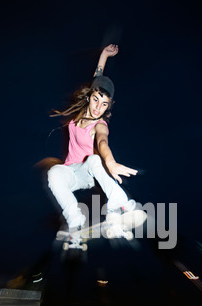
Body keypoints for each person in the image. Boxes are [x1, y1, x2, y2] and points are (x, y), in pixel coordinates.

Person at [47, 44, 138, 233]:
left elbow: (102, 142)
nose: (98, 107)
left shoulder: (99, 125)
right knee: (54, 172)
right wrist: (104, 54)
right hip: (70, 172)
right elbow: (98, 76)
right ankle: (75, 221)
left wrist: (110, 162)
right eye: (96, 100)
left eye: (104, 104)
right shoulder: (83, 110)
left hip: (87, 172)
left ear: (108, 107)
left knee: (95, 158)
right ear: (90, 97)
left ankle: (121, 205)